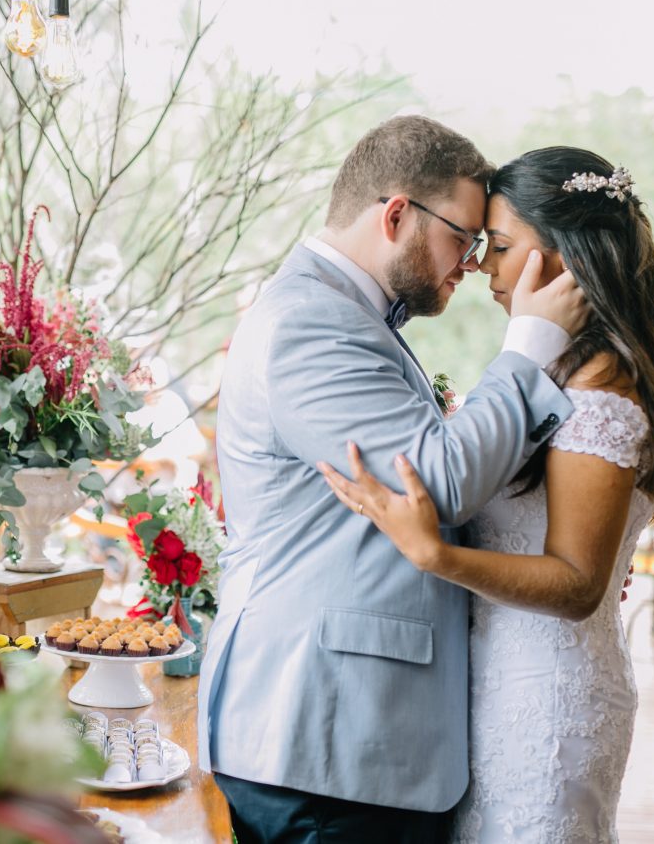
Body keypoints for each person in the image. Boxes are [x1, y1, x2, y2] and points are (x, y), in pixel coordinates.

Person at [198, 116, 589, 842]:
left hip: (349, 740)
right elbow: (433, 483)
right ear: (398, 214)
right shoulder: (311, 322)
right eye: (465, 238)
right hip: (328, 740)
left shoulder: (349, 314)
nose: (473, 264)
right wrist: (529, 345)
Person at [321, 147, 654, 842]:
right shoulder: (558, 368)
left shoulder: (601, 392)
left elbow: (580, 581)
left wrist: (436, 554)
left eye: (498, 247)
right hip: (494, 686)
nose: (480, 267)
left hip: (549, 702)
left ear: (565, 255)